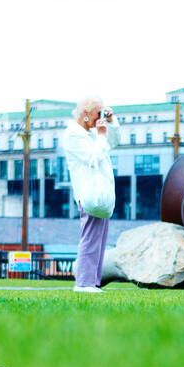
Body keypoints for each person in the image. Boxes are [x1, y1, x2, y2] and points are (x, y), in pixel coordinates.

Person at [63, 95, 120, 292]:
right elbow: (93, 158)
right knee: (90, 237)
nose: (100, 119)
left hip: (100, 191)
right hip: (89, 192)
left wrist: (111, 124)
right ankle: (84, 282)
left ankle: (92, 281)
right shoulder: (73, 135)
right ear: (86, 115)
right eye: (98, 114)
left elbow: (113, 142)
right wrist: (102, 135)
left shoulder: (91, 133)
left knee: (99, 239)